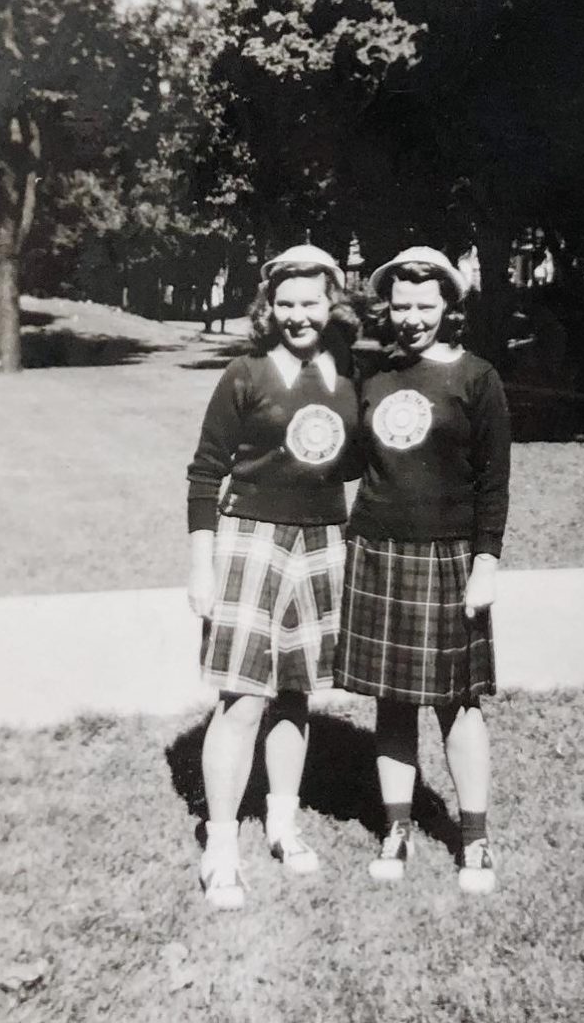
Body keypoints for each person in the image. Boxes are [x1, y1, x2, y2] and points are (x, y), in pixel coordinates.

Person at [187, 244, 359, 910]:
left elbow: (358, 461)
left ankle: (283, 823)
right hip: (250, 539)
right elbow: (205, 471)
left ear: (330, 303)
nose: (297, 315)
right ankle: (222, 844)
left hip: (322, 538)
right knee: (241, 698)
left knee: (296, 693)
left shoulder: (348, 373)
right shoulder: (245, 373)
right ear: (269, 307)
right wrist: (201, 565)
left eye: (309, 302)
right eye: (284, 303)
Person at [334, 246, 511, 894]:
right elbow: (352, 464)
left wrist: (484, 563)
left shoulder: (475, 379)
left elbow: (493, 484)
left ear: (447, 306)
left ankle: (474, 840)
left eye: (424, 306)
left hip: (446, 555)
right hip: (377, 550)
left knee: (456, 703)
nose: (410, 319)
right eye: (400, 306)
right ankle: (397, 828)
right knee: (392, 702)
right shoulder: (373, 376)